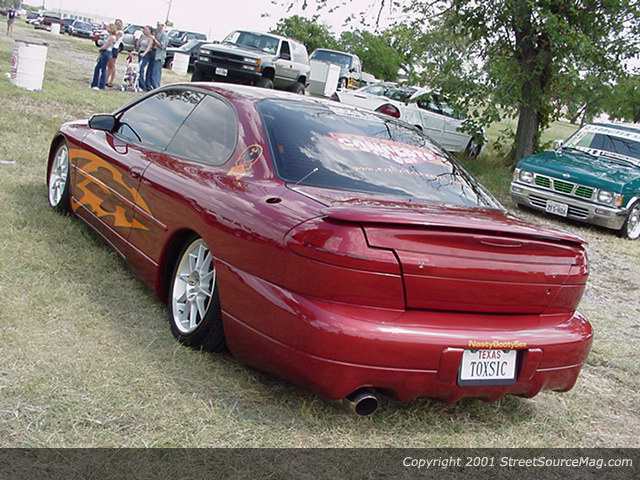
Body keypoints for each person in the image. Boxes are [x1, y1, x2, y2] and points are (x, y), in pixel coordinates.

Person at [91, 24, 116, 90]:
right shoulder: (109, 36)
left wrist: (100, 49)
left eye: (108, 27)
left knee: (102, 69)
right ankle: (95, 83)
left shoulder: (112, 37)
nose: (107, 28)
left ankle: (101, 85)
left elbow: (106, 46)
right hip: (106, 52)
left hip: (106, 52)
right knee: (98, 68)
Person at [148, 22, 169, 90]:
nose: (157, 26)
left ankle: (156, 88)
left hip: (159, 56)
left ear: (162, 26)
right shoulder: (156, 33)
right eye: (157, 25)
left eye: (159, 25)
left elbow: (162, 46)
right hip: (153, 54)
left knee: (156, 73)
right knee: (150, 72)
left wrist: (154, 39)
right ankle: (150, 87)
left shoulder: (164, 35)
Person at [106, 19, 124, 88]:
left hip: (114, 48)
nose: (117, 25)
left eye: (119, 23)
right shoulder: (115, 31)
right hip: (112, 48)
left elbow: (115, 39)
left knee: (112, 65)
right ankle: (106, 79)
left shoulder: (120, 32)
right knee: (109, 65)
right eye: (116, 23)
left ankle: (110, 81)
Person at [138, 26, 155, 91]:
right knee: (139, 68)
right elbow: (138, 44)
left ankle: (143, 85)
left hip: (146, 54)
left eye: (146, 29)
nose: (144, 30)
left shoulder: (151, 37)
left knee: (141, 68)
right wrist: (139, 39)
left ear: (149, 30)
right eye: (144, 29)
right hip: (140, 52)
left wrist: (144, 53)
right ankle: (139, 83)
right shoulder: (142, 36)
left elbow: (149, 47)